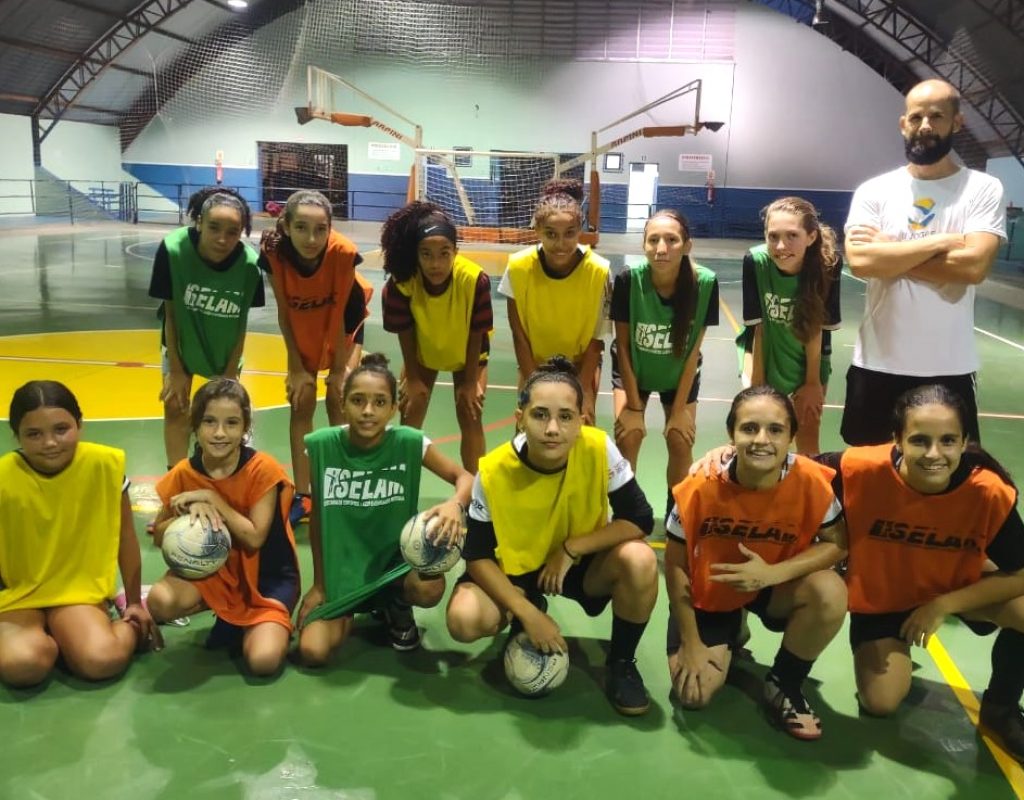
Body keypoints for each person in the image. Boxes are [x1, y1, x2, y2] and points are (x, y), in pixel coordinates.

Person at [445, 356, 658, 716]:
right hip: (514, 569)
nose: (553, 429)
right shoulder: (493, 471)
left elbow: (639, 518)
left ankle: (622, 663)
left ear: (582, 420)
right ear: (520, 419)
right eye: (540, 414)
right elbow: (477, 555)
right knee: (464, 620)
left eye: (565, 417)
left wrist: (572, 548)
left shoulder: (598, 448)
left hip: (575, 566)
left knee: (640, 560)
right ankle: (524, 612)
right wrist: (527, 612)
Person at [822, 384, 1024, 761]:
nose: (935, 454)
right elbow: (789, 472)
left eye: (948, 440)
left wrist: (942, 605)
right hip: (885, 599)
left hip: (953, 587)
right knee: (880, 703)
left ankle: (1001, 707)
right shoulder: (858, 469)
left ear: (965, 441)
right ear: (897, 439)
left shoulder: (988, 492)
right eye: (919, 440)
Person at [665, 385, 847, 740]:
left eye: (775, 430)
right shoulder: (699, 485)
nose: (761, 440)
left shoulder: (811, 482)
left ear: (792, 437)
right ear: (731, 434)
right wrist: (691, 642)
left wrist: (772, 574)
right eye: (749, 428)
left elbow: (838, 543)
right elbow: (673, 566)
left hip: (773, 585)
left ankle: (785, 683)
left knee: (830, 590)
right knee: (694, 695)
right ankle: (732, 629)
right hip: (713, 592)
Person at [842, 78, 1006, 446]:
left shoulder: (982, 188)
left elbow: (973, 267)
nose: (926, 126)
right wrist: (943, 242)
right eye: (916, 117)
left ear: (957, 123)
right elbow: (862, 261)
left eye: (937, 116)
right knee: (867, 480)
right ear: (904, 124)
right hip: (877, 363)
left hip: (949, 367)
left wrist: (892, 253)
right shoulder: (874, 191)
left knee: (947, 482)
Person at [297, 353, 473, 663]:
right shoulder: (323, 445)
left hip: (394, 569)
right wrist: (319, 586)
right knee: (312, 652)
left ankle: (397, 606)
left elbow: (465, 479)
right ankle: (350, 608)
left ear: (394, 408)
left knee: (429, 589)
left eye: (380, 402)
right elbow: (318, 521)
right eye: (358, 400)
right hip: (343, 574)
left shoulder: (409, 442)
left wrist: (454, 505)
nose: (368, 411)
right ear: (342, 403)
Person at [0, 381, 161, 687]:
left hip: (78, 590)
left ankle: (121, 629)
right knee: (22, 666)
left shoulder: (104, 466)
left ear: (80, 425)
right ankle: (53, 639)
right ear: (16, 436)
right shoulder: (4, 476)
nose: (50, 442)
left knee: (101, 660)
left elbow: (126, 539)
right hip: (19, 595)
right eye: (34, 434)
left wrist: (136, 604)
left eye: (61, 429)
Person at [146, 378, 299, 678]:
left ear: (245, 428)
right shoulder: (184, 473)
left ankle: (247, 622)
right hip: (215, 575)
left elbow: (254, 538)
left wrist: (213, 499)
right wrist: (185, 511)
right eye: (209, 422)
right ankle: (227, 615)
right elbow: (160, 537)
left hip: (265, 579)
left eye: (231, 423)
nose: (219, 433)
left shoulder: (262, 469)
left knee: (263, 662)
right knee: (159, 602)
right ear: (195, 426)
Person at [259, 189, 369, 524]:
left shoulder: (343, 254)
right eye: (302, 227)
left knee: (339, 400)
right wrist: (296, 367)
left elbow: (340, 316)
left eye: (320, 229)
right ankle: (304, 495)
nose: (311, 237)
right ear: (287, 226)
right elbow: (283, 312)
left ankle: (343, 485)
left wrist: (339, 371)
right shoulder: (274, 254)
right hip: (303, 325)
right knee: (302, 399)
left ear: (331, 229)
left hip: (345, 327)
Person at [148, 187, 265, 467]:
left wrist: (229, 374)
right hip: (181, 344)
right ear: (199, 222)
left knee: (221, 414)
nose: (222, 239)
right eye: (214, 227)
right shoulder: (173, 249)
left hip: (223, 350)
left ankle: (215, 473)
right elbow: (171, 313)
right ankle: (176, 477)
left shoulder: (249, 265)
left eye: (233, 231)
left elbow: (241, 324)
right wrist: (176, 369)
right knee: (175, 406)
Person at [611, 208, 719, 509]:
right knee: (628, 436)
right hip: (635, 370)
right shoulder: (629, 280)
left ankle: (677, 515)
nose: (661, 249)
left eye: (671, 240)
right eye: (653, 240)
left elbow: (693, 352)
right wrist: (633, 407)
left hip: (678, 375)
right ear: (643, 245)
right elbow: (623, 347)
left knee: (680, 439)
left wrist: (679, 410)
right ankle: (627, 512)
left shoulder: (705, 283)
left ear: (687, 245)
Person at [380, 201, 492, 472]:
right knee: (411, 409)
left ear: (456, 251)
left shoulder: (475, 280)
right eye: (426, 254)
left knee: (470, 412)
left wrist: (468, 383)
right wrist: (415, 379)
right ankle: (400, 484)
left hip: (468, 352)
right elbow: (405, 333)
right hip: (423, 353)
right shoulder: (402, 281)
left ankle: (477, 496)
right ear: (416, 254)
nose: (436, 263)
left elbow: (477, 333)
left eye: (444, 253)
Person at [499, 180, 609, 424]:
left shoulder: (599, 271)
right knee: (530, 432)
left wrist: (581, 391)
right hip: (534, 364)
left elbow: (596, 341)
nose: (560, 244)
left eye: (569, 233)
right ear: (537, 230)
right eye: (551, 234)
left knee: (580, 431)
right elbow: (519, 333)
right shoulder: (518, 267)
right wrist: (532, 383)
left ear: (580, 230)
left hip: (581, 367)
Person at [742, 197, 841, 454]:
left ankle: (808, 494)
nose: (781, 245)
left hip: (811, 356)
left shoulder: (828, 264)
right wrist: (759, 384)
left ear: (810, 237)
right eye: (772, 236)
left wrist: (811, 382)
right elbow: (758, 329)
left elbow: (816, 328)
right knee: (760, 434)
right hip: (765, 351)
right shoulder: (755, 262)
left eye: (792, 235)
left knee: (808, 437)